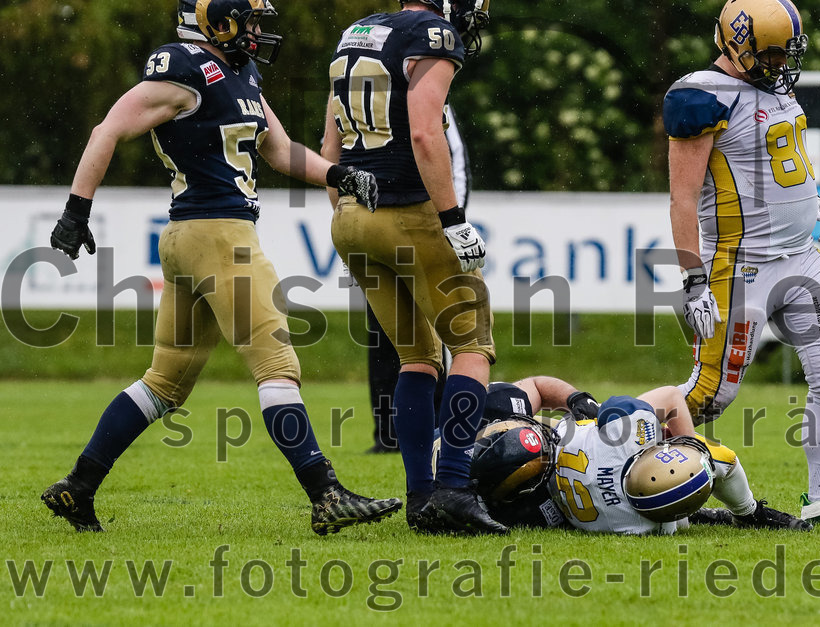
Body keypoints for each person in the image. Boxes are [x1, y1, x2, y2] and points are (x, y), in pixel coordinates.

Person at [41, 0, 401, 535]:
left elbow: (280, 150)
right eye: (249, 20)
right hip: (220, 237)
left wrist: (338, 175)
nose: (256, 31)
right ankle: (326, 495)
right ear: (219, 19)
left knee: (164, 383)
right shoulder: (184, 67)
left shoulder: (241, 72)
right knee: (277, 368)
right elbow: (106, 130)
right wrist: (76, 210)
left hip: (190, 238)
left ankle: (79, 485)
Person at [664, 0, 820, 526]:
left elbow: (773, 160)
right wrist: (693, 279)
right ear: (737, 43)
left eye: (787, 52)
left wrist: (809, 200)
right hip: (741, 264)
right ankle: (612, 448)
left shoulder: (774, 86)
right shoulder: (702, 95)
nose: (781, 63)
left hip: (800, 257)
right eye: (772, 53)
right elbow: (683, 198)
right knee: (710, 395)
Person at [322, 0, 503, 534]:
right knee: (472, 349)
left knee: (417, 359)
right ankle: (453, 487)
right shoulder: (433, 33)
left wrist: (348, 214)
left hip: (351, 217)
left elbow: (331, 146)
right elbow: (425, 133)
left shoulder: (357, 33)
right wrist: (453, 219)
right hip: (409, 211)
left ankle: (420, 497)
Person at [472, 376, 811, 534]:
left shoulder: (633, 525)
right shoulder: (638, 518)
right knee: (708, 456)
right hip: (588, 450)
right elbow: (673, 399)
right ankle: (748, 512)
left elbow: (535, 386)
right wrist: (687, 445)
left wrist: (577, 399)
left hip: (578, 478)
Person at [366, 109, 470, 454]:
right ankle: (391, 433)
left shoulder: (349, 90)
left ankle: (429, 429)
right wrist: (454, 223)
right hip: (399, 227)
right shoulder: (423, 90)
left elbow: (333, 159)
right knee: (398, 339)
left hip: (387, 226)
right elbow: (453, 160)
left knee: (415, 338)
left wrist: (451, 224)